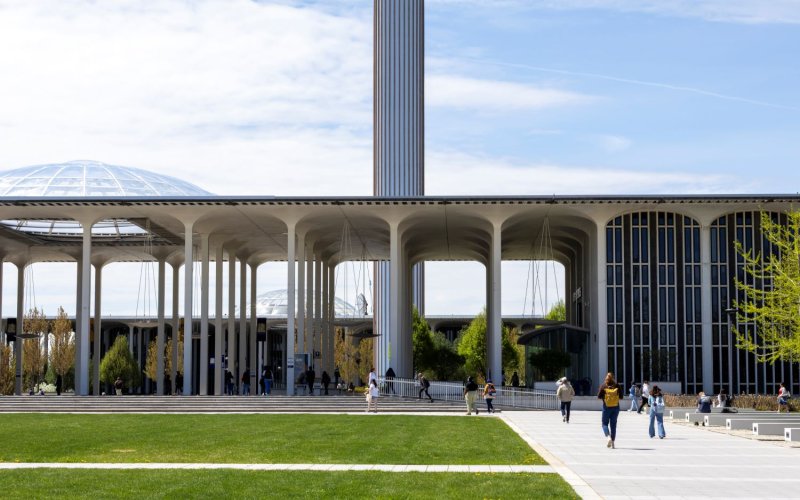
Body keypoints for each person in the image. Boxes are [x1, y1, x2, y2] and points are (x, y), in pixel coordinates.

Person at [597, 372, 621, 449]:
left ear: (606, 378)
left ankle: (608, 437)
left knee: (604, 424)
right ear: (613, 378)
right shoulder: (617, 385)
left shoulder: (603, 386)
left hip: (606, 407)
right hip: (616, 407)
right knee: (613, 425)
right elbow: (621, 396)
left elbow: (599, 396)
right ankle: (613, 443)